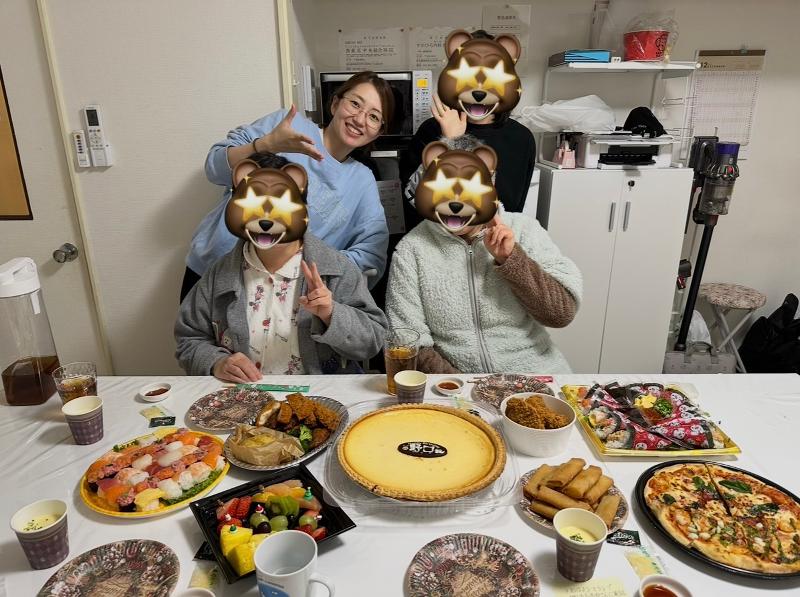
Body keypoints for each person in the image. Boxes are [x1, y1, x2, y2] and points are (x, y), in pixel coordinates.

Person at [182, 71, 395, 302]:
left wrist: (309, 275)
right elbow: (214, 168)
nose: (360, 119)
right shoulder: (290, 126)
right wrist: (266, 145)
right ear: (335, 103)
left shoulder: (362, 181)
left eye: (374, 117)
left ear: (379, 132)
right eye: (355, 104)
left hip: (280, 299)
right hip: (211, 272)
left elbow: (372, 256)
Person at [176, 153, 387, 382]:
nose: (267, 219)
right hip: (245, 396)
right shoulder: (219, 275)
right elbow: (189, 339)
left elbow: (373, 341)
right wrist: (217, 362)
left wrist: (330, 313)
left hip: (319, 396)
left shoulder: (336, 270)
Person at [386, 137, 581, 374]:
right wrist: (459, 386)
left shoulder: (525, 229)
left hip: (535, 374)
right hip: (456, 384)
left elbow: (561, 314)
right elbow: (408, 339)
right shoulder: (411, 249)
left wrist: (511, 259)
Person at [400, 29, 535, 228]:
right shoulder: (431, 130)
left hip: (494, 240)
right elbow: (411, 198)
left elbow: (514, 207)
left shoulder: (521, 138)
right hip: (437, 240)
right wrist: (451, 142)